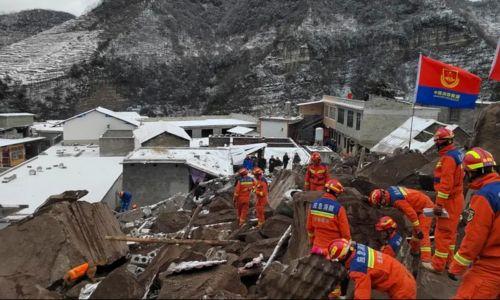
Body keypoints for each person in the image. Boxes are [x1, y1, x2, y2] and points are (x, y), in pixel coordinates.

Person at [448, 147, 500, 299]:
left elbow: (474, 238)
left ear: (471, 172)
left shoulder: (484, 197)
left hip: (491, 266)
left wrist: (456, 267)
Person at [423, 127, 465, 273]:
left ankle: (437, 265)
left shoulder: (448, 158)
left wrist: (439, 205)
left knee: (442, 232)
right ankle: (448, 262)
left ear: (441, 142)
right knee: (451, 234)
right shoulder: (455, 155)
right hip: (456, 199)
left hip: (449, 201)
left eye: (437, 142)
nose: (435, 145)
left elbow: (446, 185)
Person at [327, 239, 417, 300]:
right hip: (403, 276)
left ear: (342, 258)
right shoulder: (358, 247)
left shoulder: (358, 270)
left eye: (337, 260)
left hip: (403, 291)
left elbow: (362, 297)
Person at [368, 186, 433, 261]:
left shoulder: (397, 201)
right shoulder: (390, 190)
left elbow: (412, 214)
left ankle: (426, 259)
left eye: (381, 203)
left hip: (425, 207)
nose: (383, 205)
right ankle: (414, 251)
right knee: (416, 233)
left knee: (422, 232)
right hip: (420, 202)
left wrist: (418, 229)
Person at [307, 179, 350, 253]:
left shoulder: (314, 205)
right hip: (333, 250)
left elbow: (309, 227)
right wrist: (348, 247)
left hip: (316, 248)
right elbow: (345, 233)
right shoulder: (339, 208)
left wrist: (312, 242)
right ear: (336, 194)